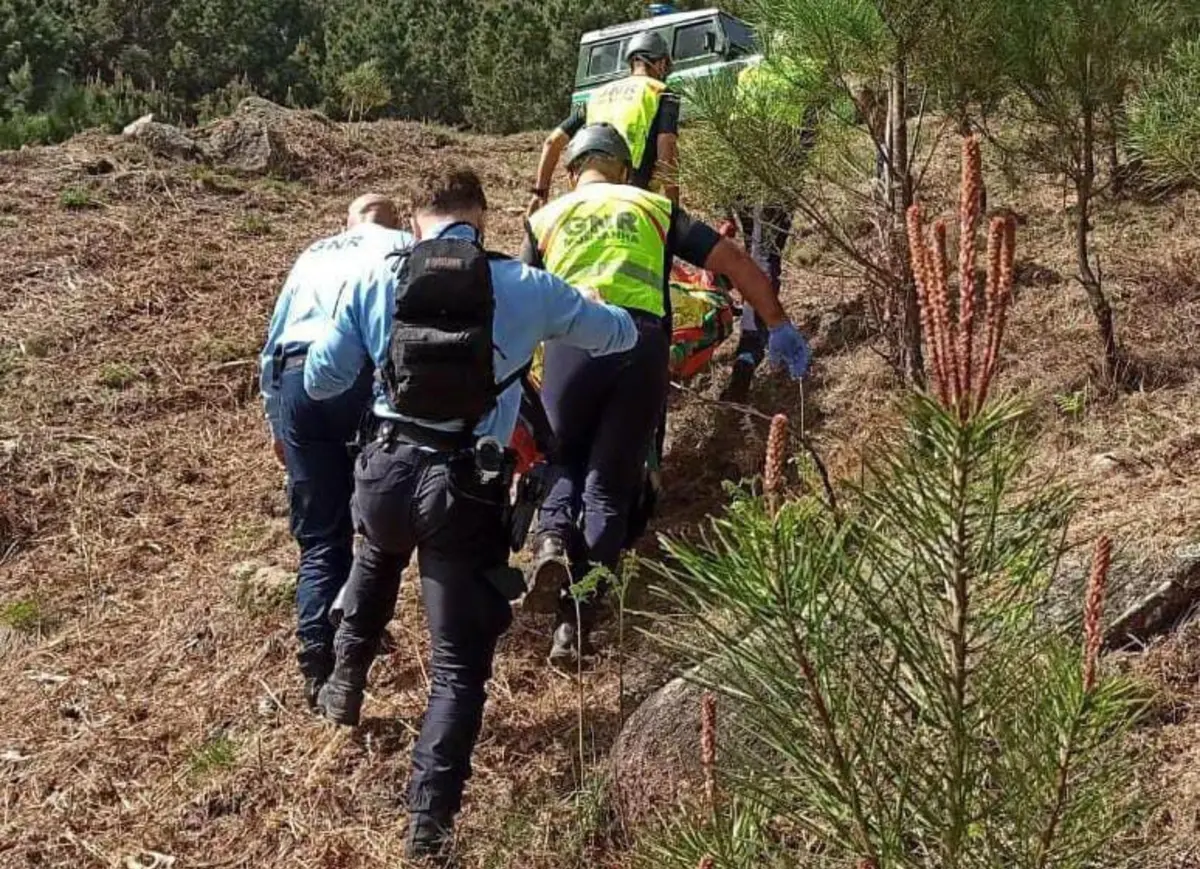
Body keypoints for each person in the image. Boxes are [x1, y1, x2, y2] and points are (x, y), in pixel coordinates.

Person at [303, 167, 636, 864]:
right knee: (458, 666)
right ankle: (429, 826)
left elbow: (322, 379)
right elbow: (618, 338)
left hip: (387, 471)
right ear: (481, 218)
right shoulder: (522, 286)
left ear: (416, 218)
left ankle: (343, 685)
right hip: (465, 488)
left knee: (375, 556)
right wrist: (595, 306)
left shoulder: (376, 277)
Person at [522, 124, 812, 665]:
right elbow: (736, 263)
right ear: (625, 169)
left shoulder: (544, 218)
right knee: (609, 487)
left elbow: (518, 301)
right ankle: (574, 627)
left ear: (571, 172)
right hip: (641, 348)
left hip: (572, 348)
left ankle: (552, 542)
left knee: (563, 457)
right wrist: (777, 324)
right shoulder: (653, 208)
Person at [258, 193, 407, 709]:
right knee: (377, 518)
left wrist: (276, 418)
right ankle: (356, 625)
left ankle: (316, 654)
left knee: (321, 530)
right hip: (362, 374)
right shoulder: (406, 245)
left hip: (297, 382)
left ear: (346, 223)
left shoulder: (313, 253)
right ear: (398, 219)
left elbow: (274, 340)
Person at [725, 53, 826, 401]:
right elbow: (808, 136)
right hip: (776, 170)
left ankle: (753, 339)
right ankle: (748, 355)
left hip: (740, 173)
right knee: (765, 258)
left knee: (753, 254)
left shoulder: (750, 69)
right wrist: (791, 181)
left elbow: (732, 132)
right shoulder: (807, 68)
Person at [528, 30, 680, 214]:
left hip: (588, 189)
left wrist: (540, 193)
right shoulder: (661, 92)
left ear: (631, 62)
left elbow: (552, 141)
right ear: (661, 63)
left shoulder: (597, 95)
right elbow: (667, 151)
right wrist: (674, 208)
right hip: (632, 192)